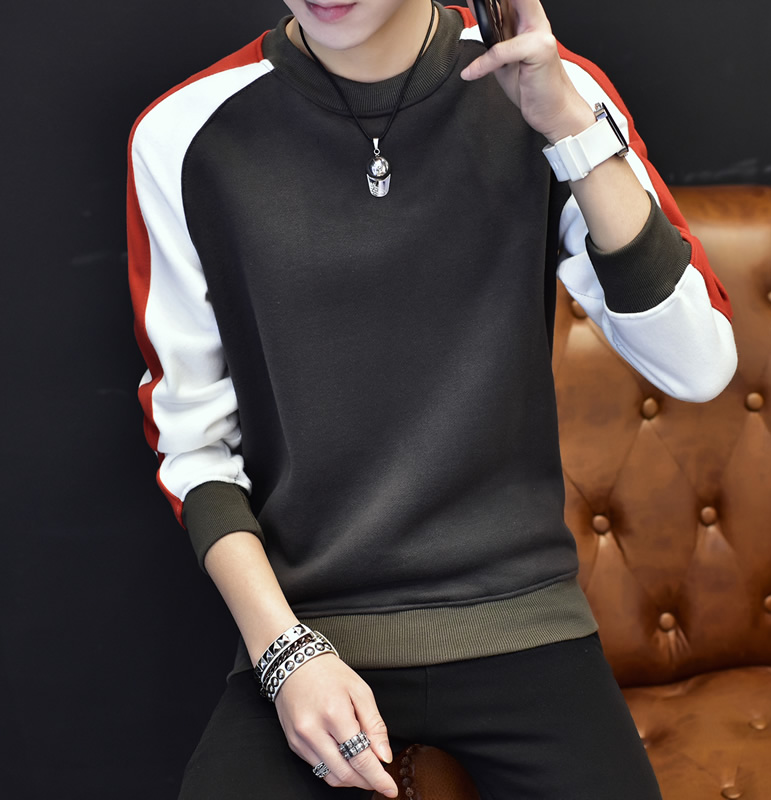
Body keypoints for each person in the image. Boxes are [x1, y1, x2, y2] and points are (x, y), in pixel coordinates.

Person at [127, 0, 737, 797]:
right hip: (304, 633)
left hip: (523, 621)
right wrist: (284, 654)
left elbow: (698, 363)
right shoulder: (184, 134)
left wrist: (566, 128)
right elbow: (195, 448)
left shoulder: (546, 85)